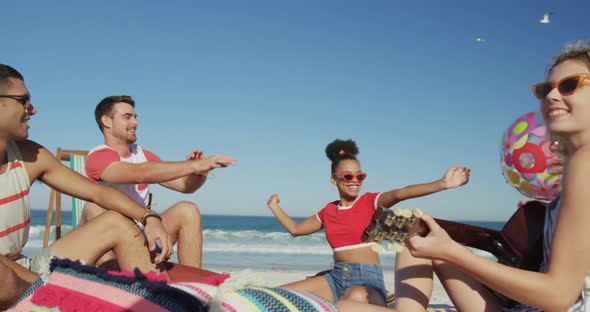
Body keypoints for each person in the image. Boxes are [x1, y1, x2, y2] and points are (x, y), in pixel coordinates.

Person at [396, 41, 590, 312]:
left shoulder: (585, 161)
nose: (552, 96)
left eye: (569, 85)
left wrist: (451, 252)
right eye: (545, 89)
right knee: (417, 244)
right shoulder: (576, 167)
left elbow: (558, 296)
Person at [0, 65, 177, 310]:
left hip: (25, 269)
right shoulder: (99, 157)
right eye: (23, 101)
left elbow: (98, 192)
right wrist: (43, 286)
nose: (32, 109)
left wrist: (149, 217)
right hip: (9, 280)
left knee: (116, 221)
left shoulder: (29, 155)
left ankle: (162, 304)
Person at [266, 139, 470, 307]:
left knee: (351, 301)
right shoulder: (328, 211)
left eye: (359, 176)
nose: (354, 180)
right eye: (347, 176)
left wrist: (443, 184)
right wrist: (274, 206)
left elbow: (401, 193)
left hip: (366, 280)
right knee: (277, 297)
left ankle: (380, 299)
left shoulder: (369, 202)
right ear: (333, 180)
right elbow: (295, 230)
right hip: (335, 277)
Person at [79, 95, 236, 269]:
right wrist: (193, 165)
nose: (135, 122)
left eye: (135, 117)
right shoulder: (98, 156)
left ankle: (193, 284)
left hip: (142, 235)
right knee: (94, 208)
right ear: (106, 121)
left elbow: (185, 186)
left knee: (187, 209)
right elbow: (139, 173)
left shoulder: (143, 155)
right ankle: (111, 278)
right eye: (127, 117)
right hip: (110, 242)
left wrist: (200, 171)